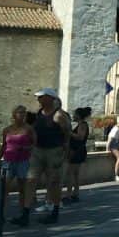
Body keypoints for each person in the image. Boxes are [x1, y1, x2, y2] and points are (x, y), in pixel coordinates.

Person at [14, 88, 71, 226]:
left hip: (54, 151)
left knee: (54, 182)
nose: (38, 100)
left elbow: (67, 132)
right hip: (38, 150)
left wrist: (65, 149)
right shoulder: (39, 113)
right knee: (31, 179)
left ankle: (55, 212)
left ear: (50, 98)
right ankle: (25, 214)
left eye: (41, 97)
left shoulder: (59, 115)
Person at [0, 105, 35, 218]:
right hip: (8, 160)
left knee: (22, 188)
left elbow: (34, 144)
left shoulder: (29, 129)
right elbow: (4, 145)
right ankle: (1, 215)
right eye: (20, 112)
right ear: (14, 114)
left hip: (22, 161)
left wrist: (26, 148)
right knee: (4, 187)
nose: (22, 115)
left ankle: (22, 213)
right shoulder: (7, 129)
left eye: (24, 112)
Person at [64, 107, 91, 203]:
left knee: (70, 174)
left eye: (74, 114)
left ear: (78, 116)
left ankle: (69, 195)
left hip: (77, 151)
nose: (73, 116)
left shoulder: (82, 125)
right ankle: (75, 194)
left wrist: (69, 132)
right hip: (78, 151)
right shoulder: (81, 124)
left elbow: (80, 137)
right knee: (75, 174)